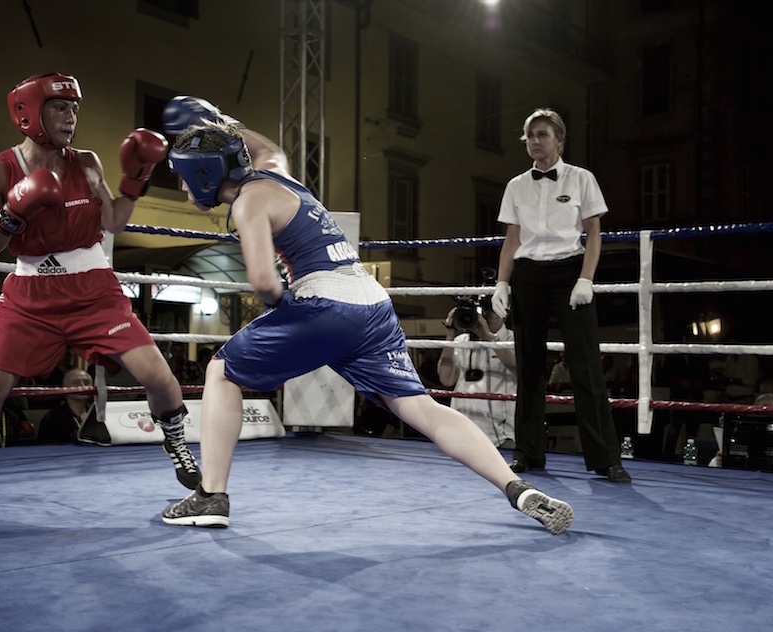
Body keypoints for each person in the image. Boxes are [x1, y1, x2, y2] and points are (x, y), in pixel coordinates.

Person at [156, 96, 573, 534]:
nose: (184, 190)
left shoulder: (247, 203)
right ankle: (516, 487)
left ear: (203, 176)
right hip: (373, 302)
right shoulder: (277, 174)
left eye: (185, 180)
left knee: (222, 371)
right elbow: (266, 147)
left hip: (325, 303)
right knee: (420, 407)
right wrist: (222, 123)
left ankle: (211, 495)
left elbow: (264, 283)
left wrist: (292, 318)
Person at [0, 73, 202, 504]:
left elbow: (114, 222)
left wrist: (137, 177)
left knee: (159, 376)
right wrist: (14, 211)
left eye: (75, 109)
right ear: (29, 112)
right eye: (60, 107)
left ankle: (178, 447)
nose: (70, 117)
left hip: (94, 292)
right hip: (31, 298)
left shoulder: (87, 163)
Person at [490, 108, 630, 483]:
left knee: (585, 366)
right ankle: (528, 453)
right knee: (529, 366)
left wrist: (586, 278)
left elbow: (594, 234)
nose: (535, 141)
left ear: (559, 140)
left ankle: (606, 459)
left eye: (542, 134)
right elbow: (511, 240)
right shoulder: (516, 185)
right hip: (529, 275)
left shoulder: (582, 178)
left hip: (570, 270)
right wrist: (502, 284)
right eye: (530, 136)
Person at [436, 302, 517, 449]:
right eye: (486, 307)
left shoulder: (513, 339)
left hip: (501, 434)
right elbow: (446, 379)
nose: (489, 312)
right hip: (461, 431)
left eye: (494, 307)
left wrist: (490, 338)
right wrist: (450, 334)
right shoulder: (460, 342)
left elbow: (519, 369)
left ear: (506, 311)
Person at [38, 368, 94, 444]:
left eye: (86, 383)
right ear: (65, 389)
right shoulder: (52, 418)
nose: (82, 386)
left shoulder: (98, 413)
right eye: (76, 383)